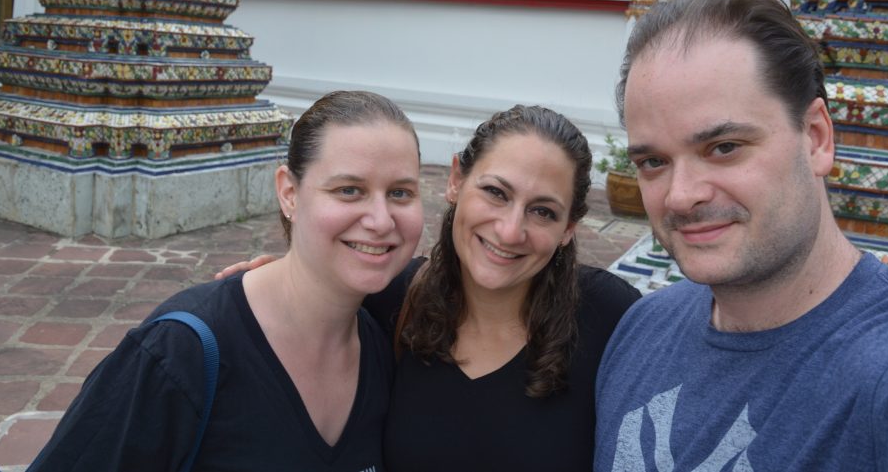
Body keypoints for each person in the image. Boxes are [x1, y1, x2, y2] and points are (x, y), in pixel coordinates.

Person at [594, 0, 888, 471]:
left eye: (724, 147)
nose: (680, 195)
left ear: (816, 138)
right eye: (653, 161)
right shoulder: (641, 330)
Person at [224, 105, 641, 471]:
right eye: (496, 193)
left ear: (568, 228)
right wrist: (284, 278)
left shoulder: (611, 318)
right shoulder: (390, 298)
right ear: (456, 180)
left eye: (543, 212)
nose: (511, 231)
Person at [29, 91, 424, 471]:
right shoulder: (179, 352)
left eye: (400, 193)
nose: (381, 220)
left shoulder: (385, 343)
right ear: (289, 193)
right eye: (349, 190)